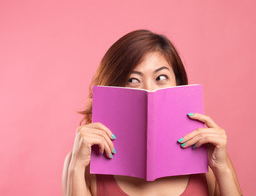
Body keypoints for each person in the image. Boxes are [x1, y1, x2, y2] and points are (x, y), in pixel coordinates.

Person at [62, 30, 242, 196]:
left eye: (160, 78)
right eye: (132, 80)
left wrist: (222, 167)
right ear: (113, 88)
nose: (149, 90)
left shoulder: (209, 157)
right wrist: (76, 168)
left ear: (177, 84)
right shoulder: (83, 162)